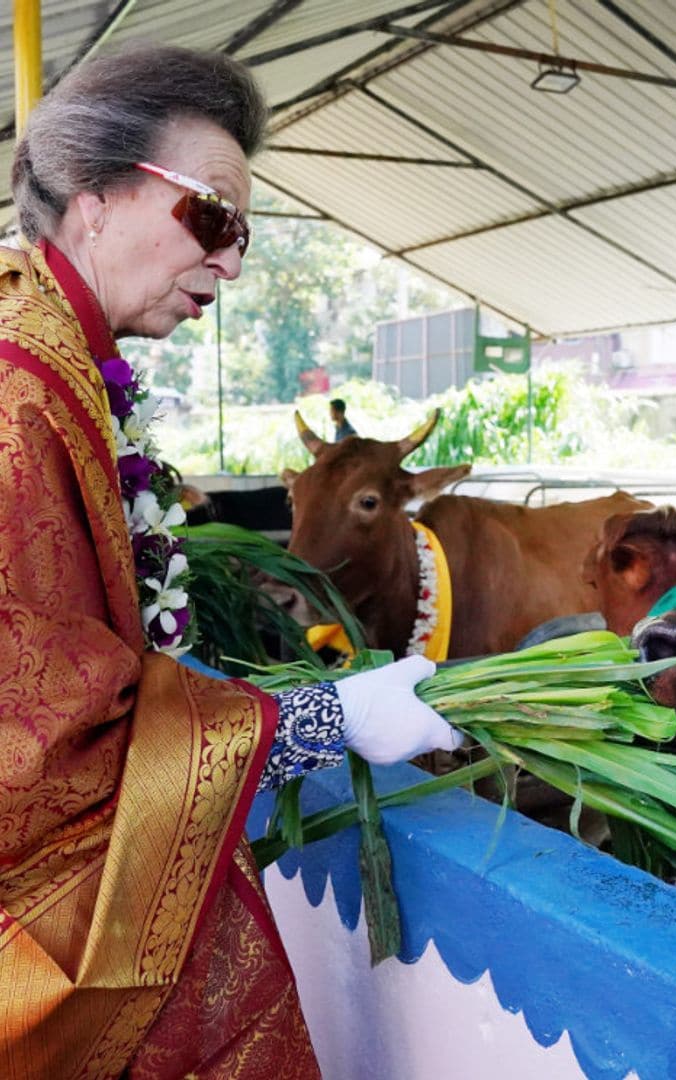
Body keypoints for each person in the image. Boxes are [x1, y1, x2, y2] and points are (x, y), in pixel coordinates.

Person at [0, 43, 459, 1078]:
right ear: (95, 197)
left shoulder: (63, 371)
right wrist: (321, 719)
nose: (233, 264)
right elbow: (35, 746)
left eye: (242, 232)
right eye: (211, 216)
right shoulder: (18, 401)